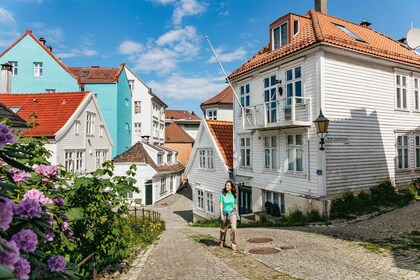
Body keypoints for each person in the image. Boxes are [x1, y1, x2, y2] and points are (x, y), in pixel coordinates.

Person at [219, 180, 239, 251]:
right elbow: (221, 204)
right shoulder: (222, 194)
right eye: (226, 185)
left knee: (234, 229)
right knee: (223, 230)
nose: (226, 186)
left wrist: (237, 214)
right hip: (225, 214)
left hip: (232, 213)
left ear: (231, 187)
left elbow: (235, 204)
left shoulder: (234, 195)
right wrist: (221, 214)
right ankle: (222, 241)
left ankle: (233, 244)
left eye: (228, 185)